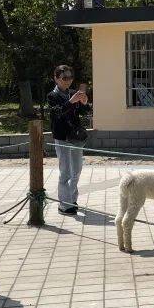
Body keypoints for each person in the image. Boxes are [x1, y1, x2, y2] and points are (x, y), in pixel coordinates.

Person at [47, 65, 89, 216]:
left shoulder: (73, 93)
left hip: (75, 137)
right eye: (64, 78)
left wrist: (84, 101)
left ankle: (72, 199)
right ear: (56, 78)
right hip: (62, 137)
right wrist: (71, 101)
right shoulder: (52, 95)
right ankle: (64, 205)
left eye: (70, 78)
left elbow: (83, 112)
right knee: (65, 171)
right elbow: (57, 113)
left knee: (76, 171)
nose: (68, 81)